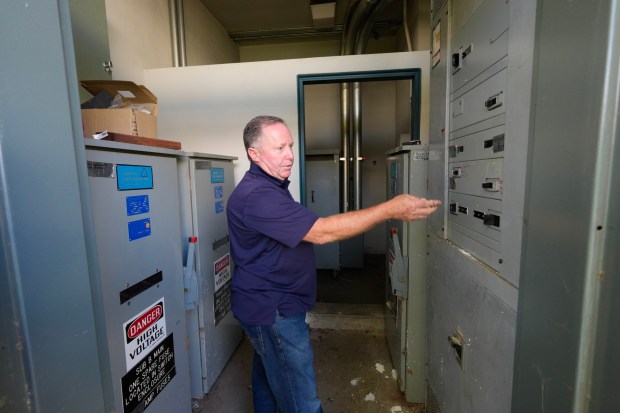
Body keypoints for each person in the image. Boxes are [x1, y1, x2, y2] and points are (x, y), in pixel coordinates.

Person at [226, 115, 440, 413]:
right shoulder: (258, 196)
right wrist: (389, 208)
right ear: (254, 153)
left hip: (269, 305)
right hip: (273, 310)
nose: (289, 155)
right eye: (279, 148)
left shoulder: (270, 186)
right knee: (301, 400)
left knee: (270, 381)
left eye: (290, 145)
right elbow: (322, 231)